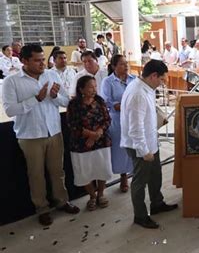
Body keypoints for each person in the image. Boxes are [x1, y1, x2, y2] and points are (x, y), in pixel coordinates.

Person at [2, 44, 79, 225]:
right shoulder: (11, 82)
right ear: (24, 61)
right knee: (36, 174)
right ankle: (42, 208)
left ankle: (62, 201)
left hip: (54, 131)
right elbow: (10, 110)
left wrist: (54, 97)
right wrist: (35, 99)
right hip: (30, 136)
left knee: (57, 171)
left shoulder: (51, 75)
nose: (42, 64)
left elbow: (66, 100)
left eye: (43, 59)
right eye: (37, 60)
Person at [121, 60, 178, 229]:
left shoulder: (146, 87)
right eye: (162, 80)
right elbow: (135, 127)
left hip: (150, 140)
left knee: (155, 175)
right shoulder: (138, 93)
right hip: (140, 145)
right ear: (153, 76)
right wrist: (144, 151)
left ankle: (157, 203)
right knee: (140, 181)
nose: (163, 84)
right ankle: (140, 215)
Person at [67, 76, 113, 211]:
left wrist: (98, 133)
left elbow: (107, 120)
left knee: (102, 168)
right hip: (82, 144)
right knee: (84, 171)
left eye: (95, 87)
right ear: (81, 89)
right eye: (90, 87)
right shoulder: (74, 104)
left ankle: (101, 194)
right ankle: (92, 195)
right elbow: (72, 124)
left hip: (101, 141)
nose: (94, 90)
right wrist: (90, 135)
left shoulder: (99, 101)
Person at [101, 55, 136, 192]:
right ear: (114, 66)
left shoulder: (134, 79)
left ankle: (134, 174)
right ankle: (123, 176)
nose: (125, 66)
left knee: (134, 146)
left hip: (133, 119)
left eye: (126, 63)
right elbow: (105, 101)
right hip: (117, 119)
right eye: (121, 64)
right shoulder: (108, 81)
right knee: (120, 149)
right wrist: (119, 105)